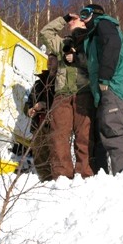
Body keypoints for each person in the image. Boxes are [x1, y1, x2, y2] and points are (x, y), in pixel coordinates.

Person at [79, 3, 123, 175]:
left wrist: (105, 76)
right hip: (110, 86)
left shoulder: (104, 23)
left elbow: (112, 45)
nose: (82, 19)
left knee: (113, 129)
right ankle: (122, 174)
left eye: (85, 14)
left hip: (113, 85)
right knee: (108, 129)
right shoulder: (95, 33)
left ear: (95, 14)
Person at [39, 14, 95, 179]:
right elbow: (45, 32)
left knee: (84, 136)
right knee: (58, 135)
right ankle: (62, 175)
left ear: (85, 24)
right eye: (70, 21)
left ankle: (85, 173)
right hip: (62, 95)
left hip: (84, 93)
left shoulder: (90, 42)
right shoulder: (62, 44)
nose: (71, 22)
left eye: (75, 20)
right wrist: (64, 19)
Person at [23, 54, 57, 182]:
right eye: (48, 59)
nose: (49, 62)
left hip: (54, 125)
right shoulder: (40, 82)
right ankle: (46, 182)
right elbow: (28, 102)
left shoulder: (60, 81)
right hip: (38, 125)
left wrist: (45, 106)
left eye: (53, 60)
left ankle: (57, 182)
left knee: (55, 155)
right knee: (39, 157)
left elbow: (63, 103)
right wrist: (30, 109)